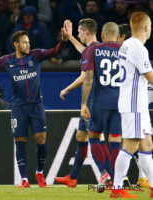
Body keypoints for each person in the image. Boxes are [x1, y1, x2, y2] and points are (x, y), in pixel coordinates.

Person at [0, 27, 68, 187]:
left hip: (36, 106)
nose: (28, 45)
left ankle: (39, 171)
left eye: (28, 42)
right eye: (24, 42)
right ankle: (24, 179)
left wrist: (63, 41)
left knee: (41, 141)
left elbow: (54, 52)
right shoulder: (7, 61)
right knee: (20, 141)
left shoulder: (35, 56)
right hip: (19, 107)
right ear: (16, 44)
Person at [110, 11, 153, 198]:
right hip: (134, 104)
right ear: (146, 27)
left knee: (146, 145)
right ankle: (117, 189)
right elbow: (150, 77)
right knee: (130, 145)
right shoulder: (138, 48)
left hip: (136, 104)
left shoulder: (126, 45)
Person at [54, 18, 99, 188]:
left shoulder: (95, 49)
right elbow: (84, 61)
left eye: (79, 32)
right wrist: (71, 37)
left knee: (99, 139)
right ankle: (73, 177)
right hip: (91, 100)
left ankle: (107, 174)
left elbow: (86, 77)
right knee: (81, 136)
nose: (78, 35)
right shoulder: (92, 50)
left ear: (87, 32)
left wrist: (81, 101)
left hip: (93, 101)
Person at [81, 22, 122, 191]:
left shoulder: (94, 50)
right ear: (118, 36)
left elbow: (88, 78)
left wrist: (84, 103)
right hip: (119, 102)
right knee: (116, 142)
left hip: (99, 102)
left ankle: (104, 172)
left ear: (103, 35)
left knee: (93, 137)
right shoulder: (125, 50)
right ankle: (116, 181)